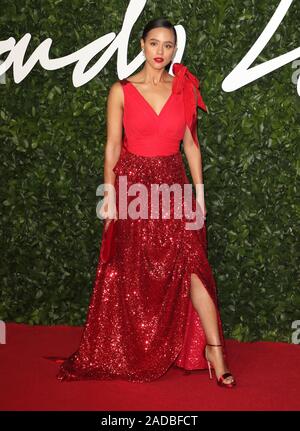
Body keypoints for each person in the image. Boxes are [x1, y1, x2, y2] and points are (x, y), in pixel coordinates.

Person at [55, 17, 236, 387]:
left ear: (174, 50)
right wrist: (108, 197)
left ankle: (214, 350)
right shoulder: (120, 90)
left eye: (168, 46)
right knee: (132, 271)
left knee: (193, 264)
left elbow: (191, 146)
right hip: (133, 185)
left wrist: (199, 195)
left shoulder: (183, 89)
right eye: (154, 43)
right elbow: (111, 147)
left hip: (173, 185)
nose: (161, 52)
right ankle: (134, 346)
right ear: (141, 44)